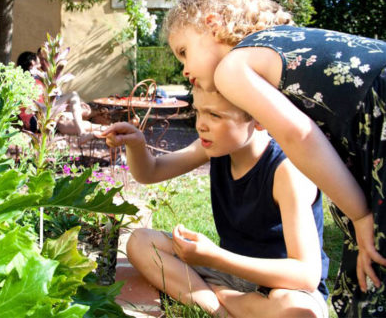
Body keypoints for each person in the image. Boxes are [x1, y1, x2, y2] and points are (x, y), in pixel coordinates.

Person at [162, 0, 386, 317]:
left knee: (375, 263)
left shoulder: (232, 69)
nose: (184, 70)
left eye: (183, 51)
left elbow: (299, 136)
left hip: (379, 112)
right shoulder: (278, 45)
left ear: (212, 24)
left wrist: (358, 215)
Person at [101, 87, 330, 318]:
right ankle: (221, 309)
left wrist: (214, 257)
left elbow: (306, 275)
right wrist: (137, 145)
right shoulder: (216, 149)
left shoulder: (287, 171)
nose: (200, 124)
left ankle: (217, 295)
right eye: (198, 112)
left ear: (259, 119)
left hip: (282, 285)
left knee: (299, 312)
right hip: (228, 272)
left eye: (215, 115)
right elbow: (150, 172)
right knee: (141, 241)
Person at [16, 51, 106, 143]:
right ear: (32, 62)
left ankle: (105, 129)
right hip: (36, 118)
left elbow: (49, 99)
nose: (42, 62)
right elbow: (34, 104)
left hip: (39, 120)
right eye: (38, 58)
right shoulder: (28, 80)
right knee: (73, 95)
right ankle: (84, 132)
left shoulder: (33, 79)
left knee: (65, 122)